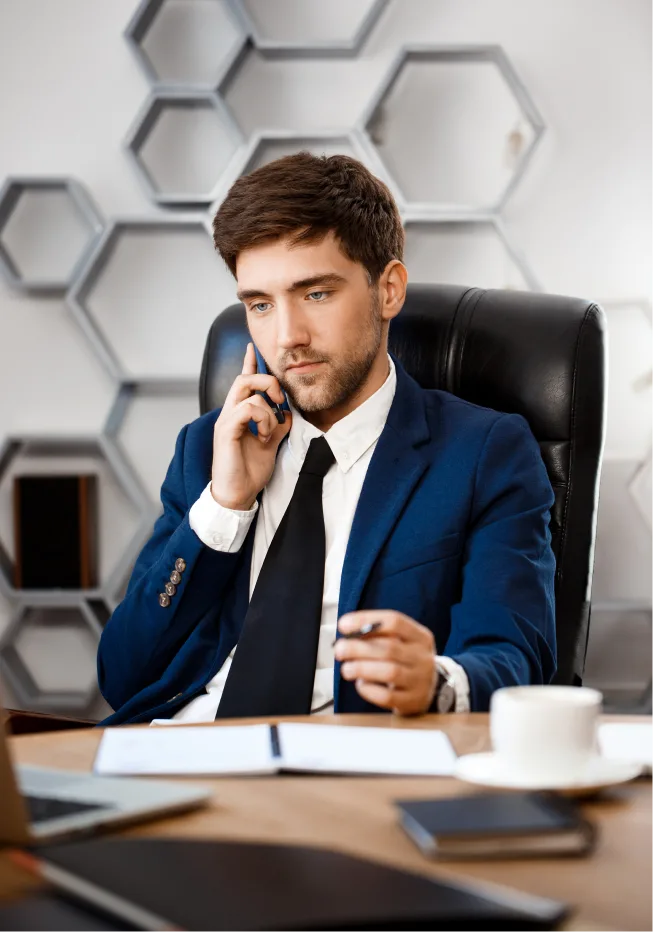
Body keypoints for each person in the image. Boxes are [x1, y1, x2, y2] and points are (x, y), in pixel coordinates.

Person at [97, 153, 556, 726]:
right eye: (260, 305)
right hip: (179, 754)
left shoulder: (483, 453)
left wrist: (433, 681)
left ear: (388, 290)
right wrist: (223, 506)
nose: (286, 337)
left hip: (351, 773)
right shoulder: (205, 449)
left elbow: (518, 658)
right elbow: (123, 675)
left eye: (315, 294)